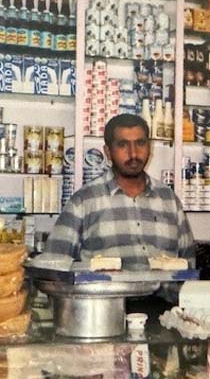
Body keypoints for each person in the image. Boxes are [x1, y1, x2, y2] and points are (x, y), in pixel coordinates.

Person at [42, 113, 194, 269]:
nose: (133, 154)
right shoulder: (84, 201)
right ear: (108, 152)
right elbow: (53, 264)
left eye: (140, 143)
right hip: (106, 294)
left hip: (164, 294)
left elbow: (188, 263)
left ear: (149, 146)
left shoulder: (168, 199)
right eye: (122, 145)